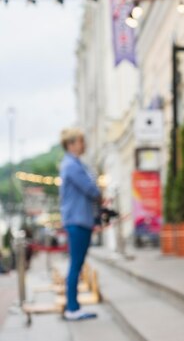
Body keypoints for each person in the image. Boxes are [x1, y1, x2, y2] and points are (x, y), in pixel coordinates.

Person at [59, 128, 101, 321]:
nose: (83, 145)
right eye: (81, 142)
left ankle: (73, 306)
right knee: (76, 265)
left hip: (78, 220)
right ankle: (72, 308)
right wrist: (97, 186)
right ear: (71, 144)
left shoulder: (73, 164)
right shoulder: (72, 165)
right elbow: (91, 189)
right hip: (78, 220)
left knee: (76, 264)